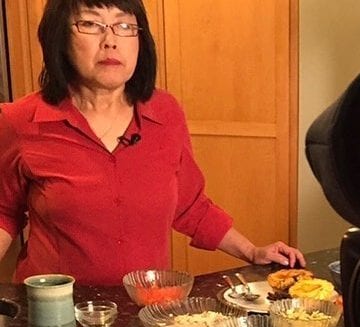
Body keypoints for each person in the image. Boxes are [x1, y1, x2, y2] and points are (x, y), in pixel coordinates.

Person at [0, 0, 305, 286]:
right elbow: (3, 213)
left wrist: (252, 251)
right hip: (56, 317)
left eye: (124, 25)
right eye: (91, 24)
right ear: (59, 37)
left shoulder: (165, 113)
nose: (111, 40)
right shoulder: (20, 121)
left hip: (147, 307)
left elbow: (190, 205)